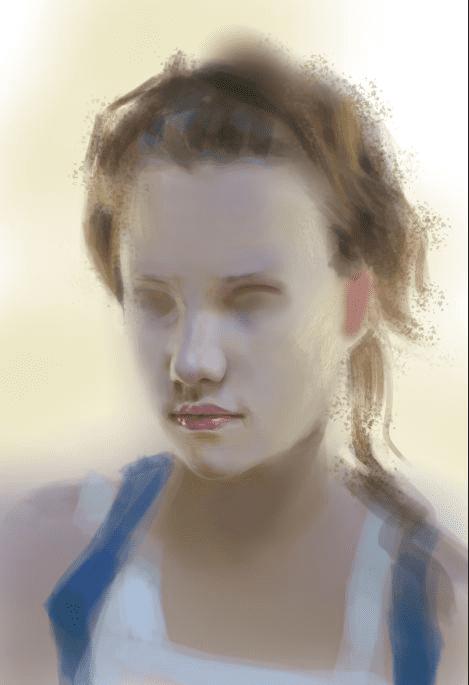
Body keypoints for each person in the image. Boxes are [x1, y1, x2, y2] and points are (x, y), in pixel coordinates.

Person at [1, 40, 467, 685]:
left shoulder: (441, 618)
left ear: (356, 302)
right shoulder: (34, 564)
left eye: (249, 301)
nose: (193, 360)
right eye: (155, 300)